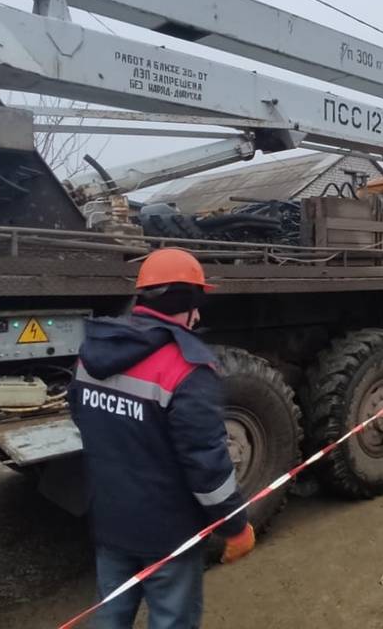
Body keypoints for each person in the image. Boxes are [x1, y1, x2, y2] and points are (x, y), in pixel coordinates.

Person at [70, 248, 255, 629]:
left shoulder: (92, 353)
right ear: (186, 302)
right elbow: (206, 462)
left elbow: (83, 419)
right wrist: (235, 527)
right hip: (168, 532)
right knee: (172, 619)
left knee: (110, 614)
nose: (199, 315)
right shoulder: (186, 368)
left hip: (109, 517)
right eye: (196, 303)